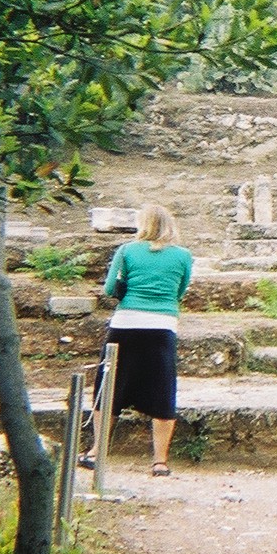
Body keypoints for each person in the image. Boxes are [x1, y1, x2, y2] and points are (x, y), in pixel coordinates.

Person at [97, 203, 192, 477]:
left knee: (110, 386)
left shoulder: (127, 251)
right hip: (162, 325)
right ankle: (160, 461)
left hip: (126, 322)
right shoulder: (183, 255)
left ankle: (96, 451)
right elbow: (180, 291)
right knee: (163, 390)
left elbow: (109, 288)